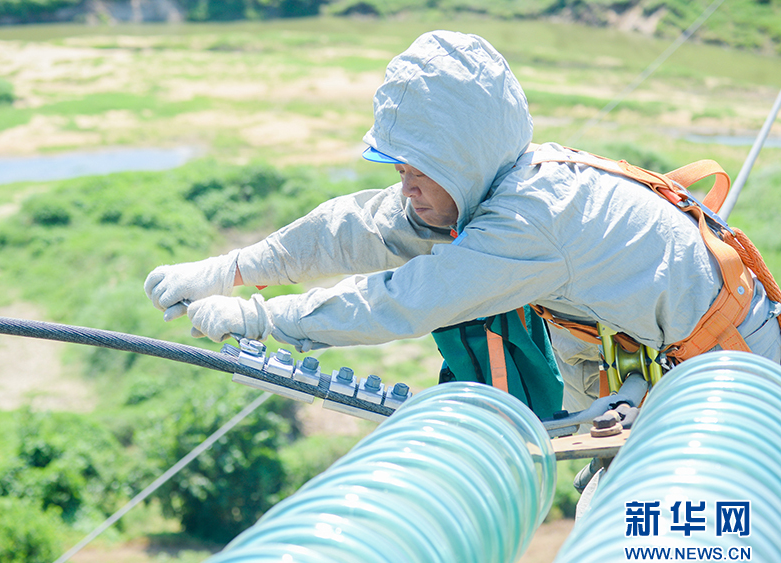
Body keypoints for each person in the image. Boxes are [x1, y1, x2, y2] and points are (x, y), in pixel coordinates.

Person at [144, 30, 781, 416]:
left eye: (420, 170)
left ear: (464, 158)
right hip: (670, 359)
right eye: (399, 168)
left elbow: (406, 301)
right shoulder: (487, 183)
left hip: (743, 368)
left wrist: (259, 321)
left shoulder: (531, 222)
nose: (406, 187)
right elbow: (357, 227)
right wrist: (228, 269)